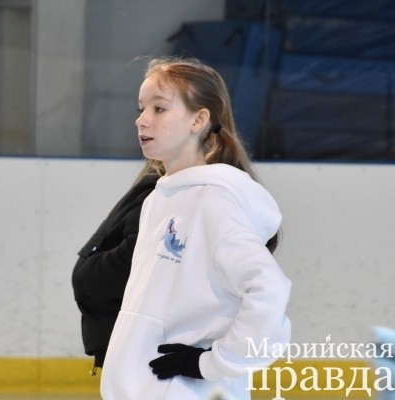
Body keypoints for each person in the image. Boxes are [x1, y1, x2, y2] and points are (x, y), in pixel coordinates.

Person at [100, 58, 291, 400]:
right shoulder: (159, 199)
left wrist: (211, 363)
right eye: (141, 108)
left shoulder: (214, 202)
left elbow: (269, 289)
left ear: (198, 120)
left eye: (159, 109)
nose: (142, 119)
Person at [72, 158, 165, 375]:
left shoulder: (160, 189)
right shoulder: (155, 186)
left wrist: (89, 276)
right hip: (127, 336)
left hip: (139, 340)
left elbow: (136, 255)